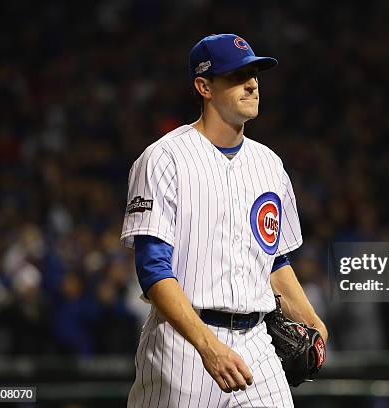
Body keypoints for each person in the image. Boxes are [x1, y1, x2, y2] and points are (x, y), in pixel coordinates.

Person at [120, 33, 327, 408]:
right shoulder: (164, 159)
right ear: (204, 86)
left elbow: (275, 262)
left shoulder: (269, 165)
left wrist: (310, 317)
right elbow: (152, 270)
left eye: (254, 73)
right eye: (236, 75)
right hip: (183, 346)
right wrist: (207, 345)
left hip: (257, 344)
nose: (252, 83)